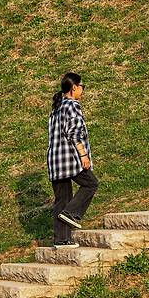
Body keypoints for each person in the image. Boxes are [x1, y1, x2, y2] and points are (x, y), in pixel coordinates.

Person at [47, 72, 99, 248]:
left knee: (62, 199)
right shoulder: (72, 105)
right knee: (91, 184)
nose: (83, 90)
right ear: (74, 87)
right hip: (70, 158)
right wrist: (83, 155)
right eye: (82, 87)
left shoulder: (56, 107)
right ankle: (72, 213)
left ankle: (61, 240)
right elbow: (74, 133)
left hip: (55, 160)